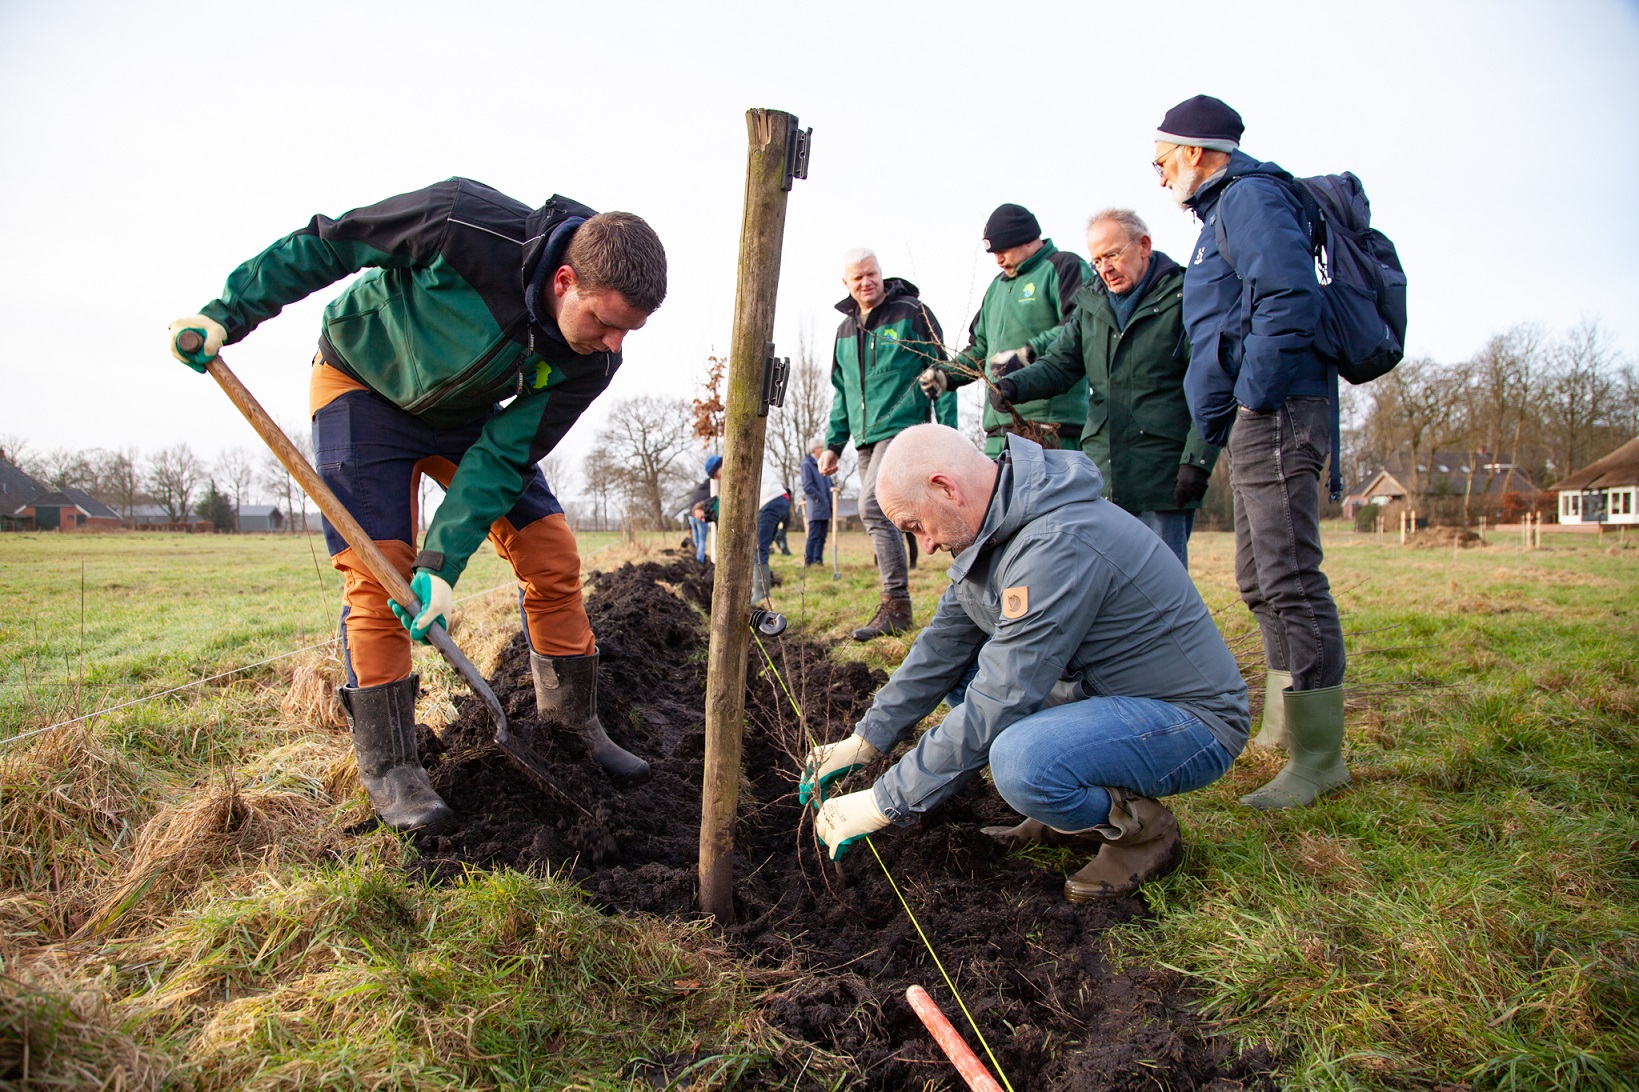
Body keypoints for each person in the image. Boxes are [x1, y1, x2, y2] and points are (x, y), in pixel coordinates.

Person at [167, 179, 666, 832]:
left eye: (627, 332)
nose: (612, 345)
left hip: (466, 421)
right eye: (603, 322)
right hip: (363, 389)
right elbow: (330, 245)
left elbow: (504, 454)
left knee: (549, 550)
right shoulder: (462, 223)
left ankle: (572, 725)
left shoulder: (591, 360)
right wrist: (227, 313)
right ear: (565, 279)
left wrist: (442, 562)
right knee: (380, 574)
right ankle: (393, 769)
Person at [800, 424, 1248, 900]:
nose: (925, 545)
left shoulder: (1056, 541)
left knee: (1021, 761)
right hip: (1105, 693)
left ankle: (1144, 833)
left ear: (946, 489)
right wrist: (866, 740)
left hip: (1189, 720)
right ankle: (1067, 811)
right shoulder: (992, 533)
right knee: (964, 678)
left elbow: (1003, 698)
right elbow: (941, 648)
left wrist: (881, 802)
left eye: (915, 526)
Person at [1154, 94, 1348, 808]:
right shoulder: (1220, 212)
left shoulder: (1249, 200)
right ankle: (1278, 720)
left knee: (1290, 577)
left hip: (1276, 410)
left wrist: (1253, 397)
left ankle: (1317, 757)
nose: (1158, 172)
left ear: (1198, 151)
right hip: (1253, 417)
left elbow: (1288, 297)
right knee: (1258, 579)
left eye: (1162, 159)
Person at [990, 209, 1219, 568]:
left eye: (1112, 255)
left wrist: (1198, 462)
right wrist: (1014, 386)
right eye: (1096, 259)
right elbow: (1060, 364)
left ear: (1144, 246)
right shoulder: (1091, 304)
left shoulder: (1186, 299)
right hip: (1104, 472)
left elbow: (1210, 385)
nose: (1104, 267)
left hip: (1163, 473)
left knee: (1163, 581)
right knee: (1109, 584)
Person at [820, 248, 956, 641]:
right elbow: (842, 393)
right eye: (858, 277)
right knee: (901, 516)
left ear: (881, 274)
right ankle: (915, 596)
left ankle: (896, 603)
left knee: (871, 506)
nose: (867, 282)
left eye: (872, 274)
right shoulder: (845, 331)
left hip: (903, 427)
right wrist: (834, 443)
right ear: (845, 283)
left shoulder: (913, 313)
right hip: (865, 438)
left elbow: (941, 373)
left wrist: (948, 432)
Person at [918, 204, 1091, 456]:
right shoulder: (996, 288)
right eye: (994, 252)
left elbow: (1079, 325)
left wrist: (1028, 353)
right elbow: (980, 349)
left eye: (1003, 250)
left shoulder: (1064, 267)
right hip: (997, 431)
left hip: (1049, 428)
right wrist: (946, 375)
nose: (998, 259)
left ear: (1025, 238)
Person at [800, 437, 833, 566]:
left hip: (825, 506)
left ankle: (818, 560)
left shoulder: (822, 465)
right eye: (822, 448)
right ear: (815, 449)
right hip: (816, 505)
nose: (824, 450)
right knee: (814, 535)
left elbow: (828, 483)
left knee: (822, 536)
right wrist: (821, 498)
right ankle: (809, 561)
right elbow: (807, 486)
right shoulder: (807, 464)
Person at [686, 454, 723, 564]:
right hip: (697, 513)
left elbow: (692, 506)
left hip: (692, 515)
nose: (718, 479)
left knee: (698, 540)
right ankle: (699, 561)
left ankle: (698, 558)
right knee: (702, 540)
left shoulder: (698, 489)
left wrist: (690, 527)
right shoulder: (710, 490)